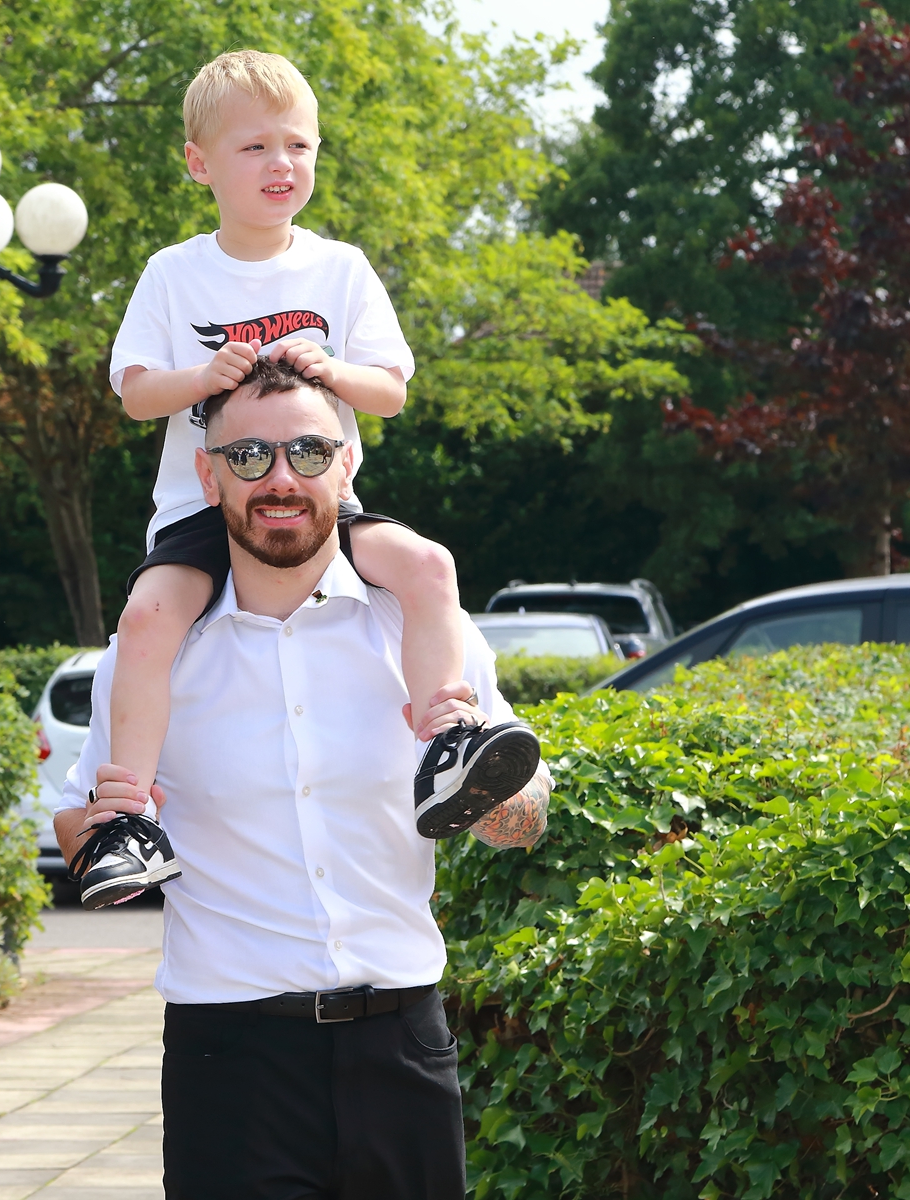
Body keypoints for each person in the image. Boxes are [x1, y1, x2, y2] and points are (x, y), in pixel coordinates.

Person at [57, 357, 551, 1197]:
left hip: (401, 1043)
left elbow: (528, 820)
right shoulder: (150, 656)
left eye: (309, 453)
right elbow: (75, 824)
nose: (280, 480)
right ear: (208, 477)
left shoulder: (426, 631)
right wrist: (108, 826)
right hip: (230, 1060)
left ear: (346, 466)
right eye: (249, 457)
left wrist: (492, 800)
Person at [90, 49, 539, 906]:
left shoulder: (342, 268)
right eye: (255, 146)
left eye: (298, 144)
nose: (281, 163)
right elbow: (137, 392)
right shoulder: (174, 272)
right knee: (147, 618)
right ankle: (127, 818)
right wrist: (205, 376)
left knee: (429, 566)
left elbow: (391, 390)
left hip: (325, 501)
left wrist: (332, 371)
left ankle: (446, 742)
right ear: (199, 163)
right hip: (206, 507)